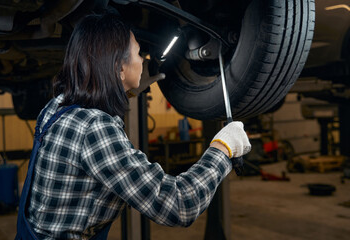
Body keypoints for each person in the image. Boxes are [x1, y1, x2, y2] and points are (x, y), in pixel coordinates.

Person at [15, 11, 251, 240]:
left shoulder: (55, 108)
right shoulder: (96, 130)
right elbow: (179, 205)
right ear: (118, 67)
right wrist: (222, 148)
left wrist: (125, 89)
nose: (143, 60)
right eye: (138, 53)